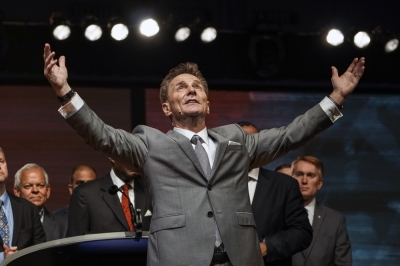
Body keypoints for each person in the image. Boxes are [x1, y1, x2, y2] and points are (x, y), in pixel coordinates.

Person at [43, 43, 365, 266]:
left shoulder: (236, 139)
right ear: (167, 108)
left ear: (208, 104)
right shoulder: (150, 143)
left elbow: (289, 135)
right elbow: (102, 136)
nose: (192, 89)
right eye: (181, 87)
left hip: (242, 259)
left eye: (197, 86)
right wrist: (64, 92)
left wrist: (335, 98)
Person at [239, 122, 312, 266]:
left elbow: (302, 232)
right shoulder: (215, 185)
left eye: (253, 140)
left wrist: (268, 247)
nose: (248, 146)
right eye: (241, 141)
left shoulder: (284, 185)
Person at [66, 158, 152, 236]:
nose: (134, 160)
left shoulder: (151, 191)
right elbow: (75, 243)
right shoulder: (86, 194)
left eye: (137, 154)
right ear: (112, 157)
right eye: (129, 154)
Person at [291, 156, 352, 266]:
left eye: (310, 175)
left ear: (319, 183)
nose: (304, 181)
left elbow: (343, 263)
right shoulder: (276, 214)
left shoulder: (335, 220)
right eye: (299, 174)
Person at [0, 148, 45, 262]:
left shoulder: (28, 209)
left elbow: (42, 253)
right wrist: (2, 259)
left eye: (1, 161)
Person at [13, 163, 67, 241]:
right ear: (17, 192)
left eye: (40, 185)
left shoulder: (63, 225)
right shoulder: (8, 223)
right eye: (28, 186)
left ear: (47, 191)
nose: (35, 190)